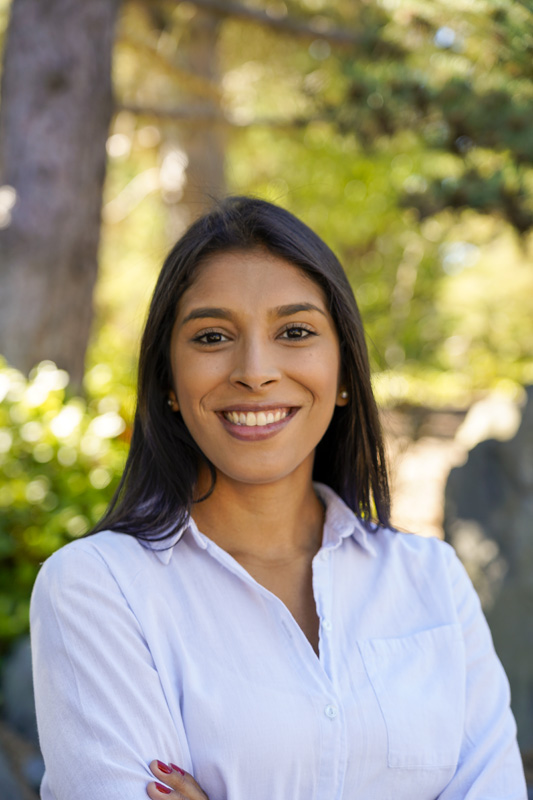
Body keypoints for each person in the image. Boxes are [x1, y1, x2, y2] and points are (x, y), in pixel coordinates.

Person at [30, 196, 527, 800]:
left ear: (344, 372)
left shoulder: (432, 580)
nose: (255, 370)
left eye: (295, 331)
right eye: (213, 336)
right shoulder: (98, 589)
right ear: (167, 381)